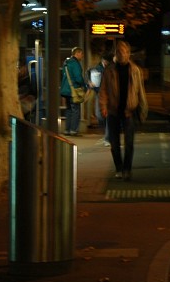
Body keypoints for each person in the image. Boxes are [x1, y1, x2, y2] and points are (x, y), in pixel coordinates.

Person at [98, 40, 148, 180]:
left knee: (129, 143)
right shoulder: (109, 71)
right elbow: (103, 91)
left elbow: (140, 91)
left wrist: (143, 109)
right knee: (114, 144)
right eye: (119, 52)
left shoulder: (135, 70)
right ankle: (119, 168)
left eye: (124, 52)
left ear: (128, 53)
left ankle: (127, 169)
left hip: (129, 112)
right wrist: (103, 107)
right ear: (116, 54)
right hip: (113, 112)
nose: (122, 54)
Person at [60, 47, 87, 136]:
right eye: (81, 54)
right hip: (73, 90)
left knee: (69, 110)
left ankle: (67, 130)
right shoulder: (75, 64)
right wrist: (84, 85)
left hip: (66, 90)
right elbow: (78, 78)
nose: (82, 56)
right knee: (75, 110)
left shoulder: (66, 63)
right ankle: (73, 130)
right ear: (77, 53)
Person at [90, 53, 112, 146]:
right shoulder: (97, 68)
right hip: (99, 94)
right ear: (103, 60)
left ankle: (108, 138)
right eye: (105, 61)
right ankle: (107, 135)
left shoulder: (112, 68)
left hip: (109, 95)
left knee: (108, 117)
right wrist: (89, 83)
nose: (106, 63)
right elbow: (88, 75)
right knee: (99, 115)